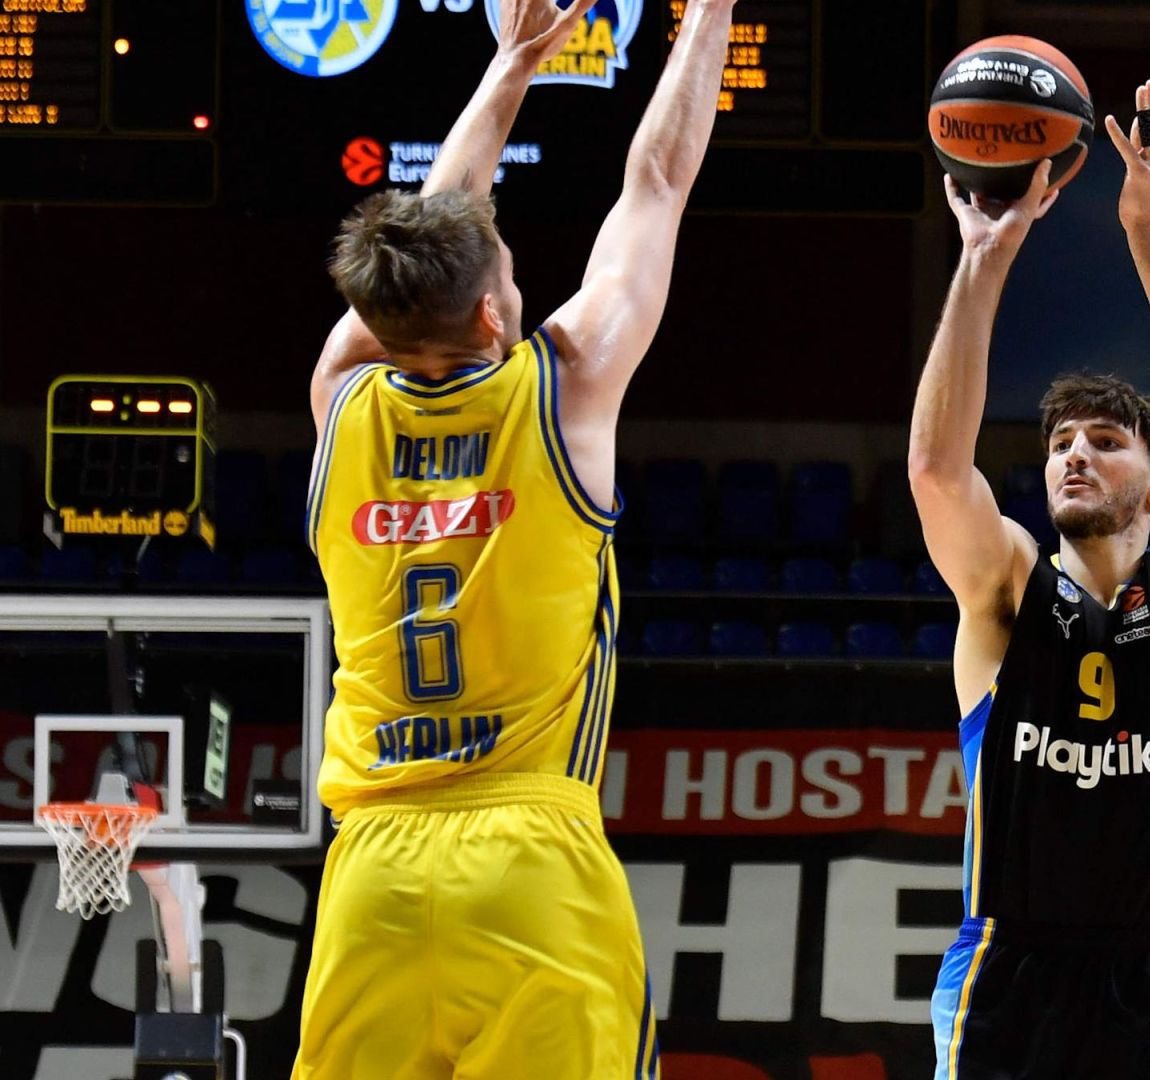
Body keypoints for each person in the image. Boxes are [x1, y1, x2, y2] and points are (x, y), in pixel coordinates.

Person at [296, 0, 735, 1075]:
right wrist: (712, 10)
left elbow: (427, 243)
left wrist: (511, 67)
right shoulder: (565, 386)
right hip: (529, 859)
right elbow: (657, 182)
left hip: (372, 877)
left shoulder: (341, 397)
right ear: (492, 315)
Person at [910, 75, 1150, 1079]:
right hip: (1008, 973)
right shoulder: (1007, 588)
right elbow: (935, 473)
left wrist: (1146, 232)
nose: (1073, 454)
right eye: (1061, 442)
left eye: (1104, 442)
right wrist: (982, 260)